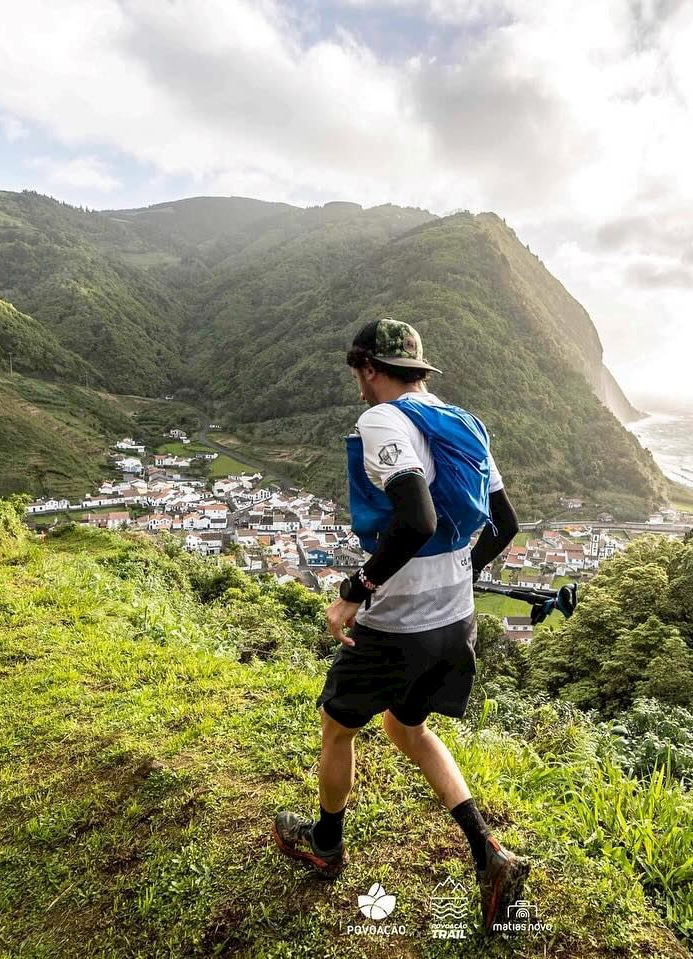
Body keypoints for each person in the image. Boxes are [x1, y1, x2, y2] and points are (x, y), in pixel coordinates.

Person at [272, 317, 528, 932]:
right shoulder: (464, 421)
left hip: (399, 623)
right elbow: (506, 523)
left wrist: (355, 591)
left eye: (359, 372)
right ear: (420, 368)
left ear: (369, 368)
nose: (360, 384)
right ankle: (489, 852)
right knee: (406, 726)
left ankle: (326, 844)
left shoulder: (383, 420)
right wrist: (458, 571)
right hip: (454, 618)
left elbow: (414, 517)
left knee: (338, 730)